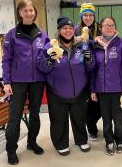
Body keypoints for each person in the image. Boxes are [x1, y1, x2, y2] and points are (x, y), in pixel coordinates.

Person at [37, 16, 94, 156]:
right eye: (64, 28)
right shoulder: (50, 46)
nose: (67, 31)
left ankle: (81, 140)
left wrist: (89, 58)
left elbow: (91, 66)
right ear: (59, 30)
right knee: (58, 119)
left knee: (79, 117)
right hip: (57, 91)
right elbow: (41, 66)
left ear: (73, 30)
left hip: (79, 90)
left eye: (70, 28)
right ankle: (61, 143)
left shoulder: (82, 45)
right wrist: (50, 60)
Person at [2, 0, 49, 165]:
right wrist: (7, 82)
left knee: (35, 114)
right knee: (14, 117)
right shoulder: (12, 34)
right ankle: (11, 149)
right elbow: (6, 60)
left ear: (35, 12)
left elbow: (48, 56)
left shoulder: (42, 35)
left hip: (38, 81)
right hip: (18, 82)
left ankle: (31, 142)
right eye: (25, 10)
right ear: (20, 13)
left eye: (31, 10)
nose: (29, 13)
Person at [90, 16, 122, 155]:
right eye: (106, 25)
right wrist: (93, 89)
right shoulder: (95, 46)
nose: (109, 28)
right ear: (101, 28)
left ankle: (120, 140)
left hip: (117, 90)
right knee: (106, 118)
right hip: (101, 90)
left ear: (115, 27)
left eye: (111, 25)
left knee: (118, 118)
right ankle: (109, 141)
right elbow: (92, 70)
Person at [75, 3, 102, 141]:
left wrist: (95, 40)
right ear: (81, 16)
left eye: (91, 14)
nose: (88, 17)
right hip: (80, 70)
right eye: (85, 14)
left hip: (98, 69)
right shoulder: (74, 30)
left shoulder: (100, 29)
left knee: (98, 102)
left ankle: (92, 122)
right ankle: (90, 128)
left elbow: (108, 42)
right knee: (86, 103)